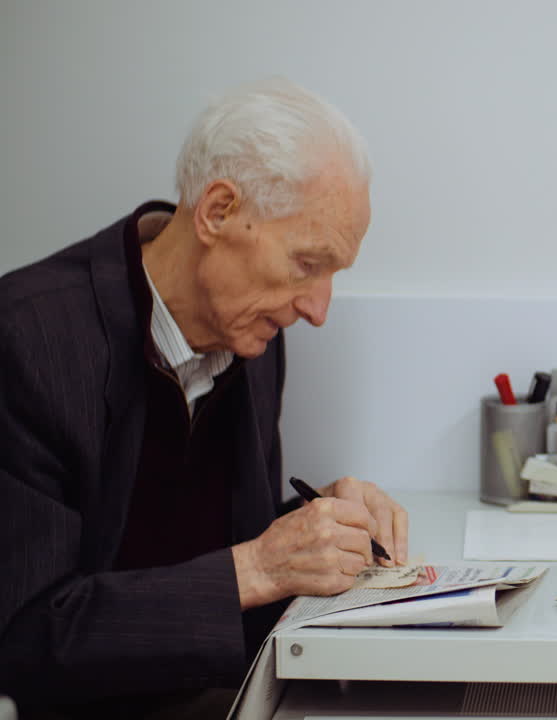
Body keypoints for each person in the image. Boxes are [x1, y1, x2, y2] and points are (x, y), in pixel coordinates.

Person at [0, 78, 409, 719]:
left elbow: (220, 542)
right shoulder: (28, 337)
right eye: (308, 263)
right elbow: (24, 633)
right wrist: (260, 568)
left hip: (232, 693)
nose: (318, 309)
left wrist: (320, 525)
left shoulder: (249, 329)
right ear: (217, 212)